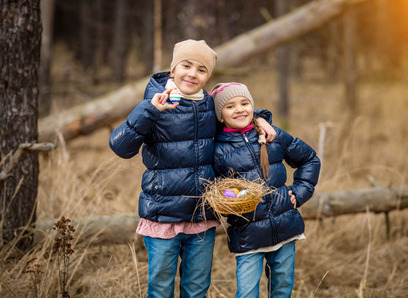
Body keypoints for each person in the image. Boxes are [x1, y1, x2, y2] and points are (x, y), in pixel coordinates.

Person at [109, 40, 275, 298]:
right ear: (173, 68)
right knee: (161, 290)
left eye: (201, 70)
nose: (192, 74)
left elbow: (236, 112)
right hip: (163, 216)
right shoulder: (155, 102)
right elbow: (121, 147)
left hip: (201, 216)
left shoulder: (209, 105)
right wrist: (150, 110)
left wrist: (260, 118)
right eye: (186, 65)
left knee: (197, 289)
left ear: (207, 76)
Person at [210, 82, 321, 298]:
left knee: (281, 289)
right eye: (230, 106)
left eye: (244, 103)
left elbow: (309, 159)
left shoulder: (271, 135)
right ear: (220, 115)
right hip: (247, 235)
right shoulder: (216, 150)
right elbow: (214, 189)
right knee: (247, 293)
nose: (240, 109)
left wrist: (299, 193)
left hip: (285, 227)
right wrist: (226, 204)